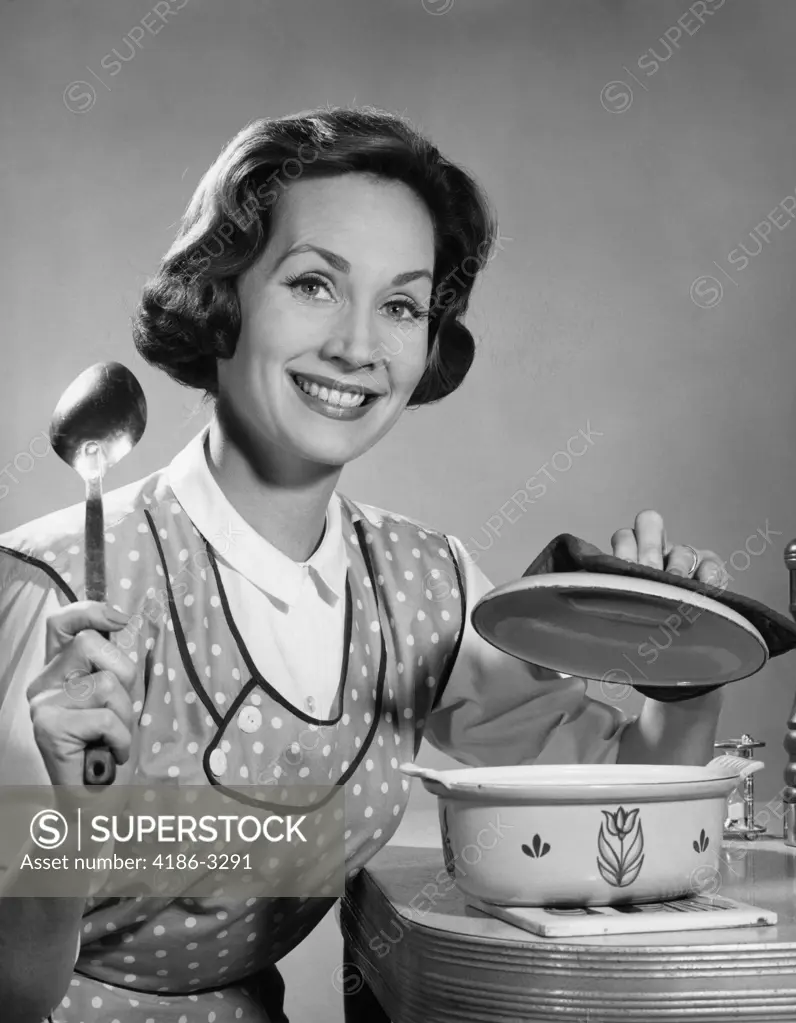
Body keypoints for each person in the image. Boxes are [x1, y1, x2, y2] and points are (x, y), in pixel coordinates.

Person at [0, 106, 726, 1023]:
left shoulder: (422, 585)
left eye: (400, 305)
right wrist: (69, 825)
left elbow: (617, 820)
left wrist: (686, 670)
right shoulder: (57, 588)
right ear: (220, 295)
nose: (357, 345)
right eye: (313, 284)